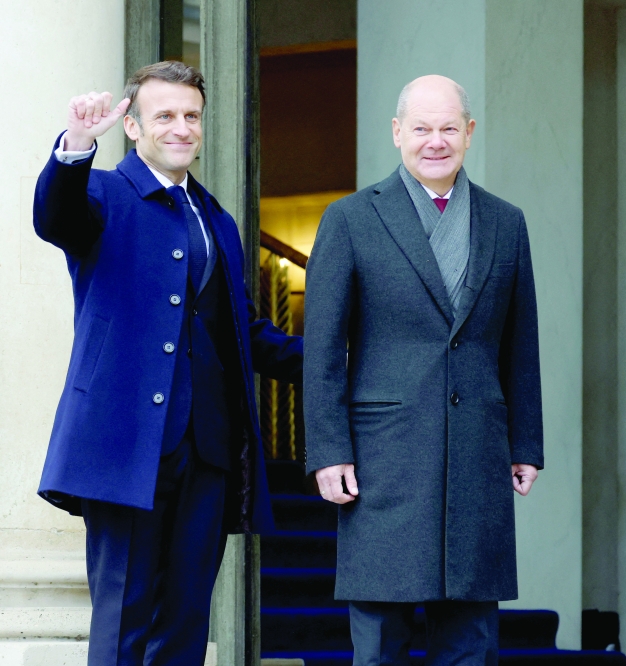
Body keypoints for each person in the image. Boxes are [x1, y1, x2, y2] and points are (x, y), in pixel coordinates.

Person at [34, 61, 302, 665]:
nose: (181, 128)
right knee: (122, 626)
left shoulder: (219, 221)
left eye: (191, 116)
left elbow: (244, 332)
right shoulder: (101, 193)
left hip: (207, 451)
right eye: (165, 116)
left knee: (185, 626)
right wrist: (77, 146)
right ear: (132, 125)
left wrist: (332, 358)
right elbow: (55, 217)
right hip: (125, 449)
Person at [304, 74, 543, 665]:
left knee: (470, 640)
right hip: (383, 456)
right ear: (396, 133)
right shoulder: (350, 219)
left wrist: (526, 443)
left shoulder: (505, 221)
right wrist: (328, 449)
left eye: (447, 129)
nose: (434, 141)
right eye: (420, 129)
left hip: (477, 451)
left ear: (468, 132)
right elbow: (326, 349)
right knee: (380, 640)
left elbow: (520, 342)